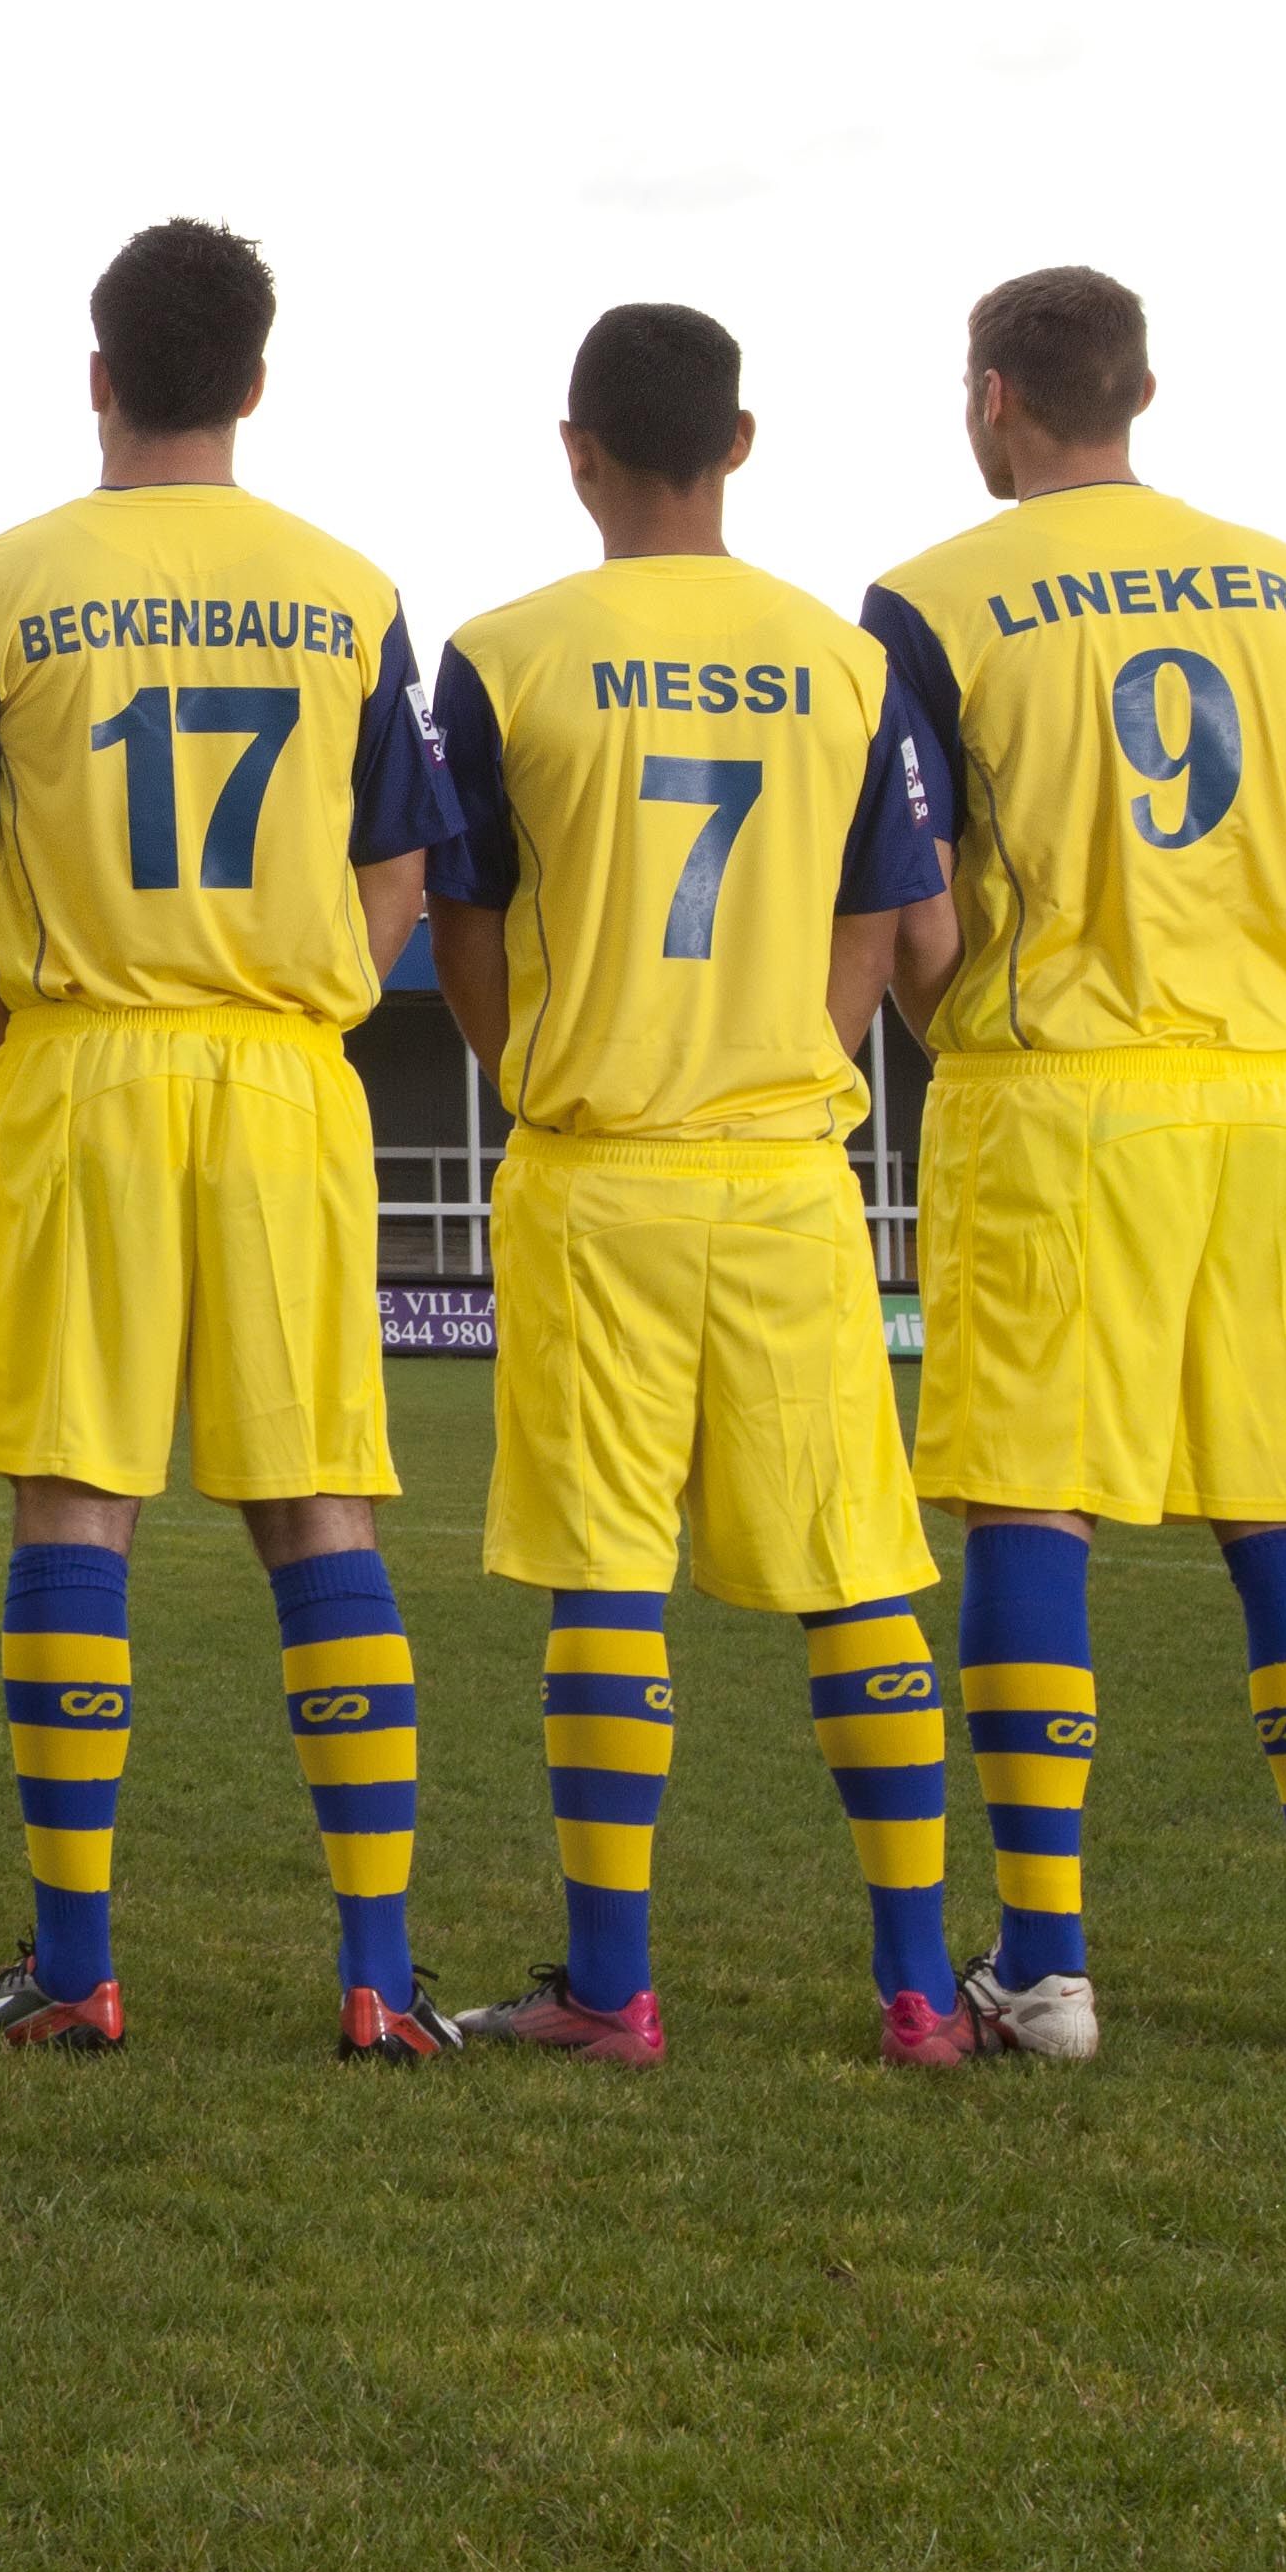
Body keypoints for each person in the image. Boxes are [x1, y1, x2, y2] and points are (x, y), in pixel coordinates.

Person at [0, 216, 470, 2058]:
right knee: (321, 1501)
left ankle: (79, 1968)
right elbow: (402, 867)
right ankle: (375, 1980)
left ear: (96, 373)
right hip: (286, 1071)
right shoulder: (351, 587)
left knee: (80, 1495)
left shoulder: (0, 585)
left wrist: (19, 1053)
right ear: (255, 379)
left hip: (85, 1062)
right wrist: (312, 1000)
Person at [863, 266, 1286, 2065]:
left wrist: (977, 1026)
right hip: (1267, 1099)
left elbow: (915, 891)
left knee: (1034, 1505)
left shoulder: (934, 597)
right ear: (1144, 390)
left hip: (1055, 1096)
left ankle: (1045, 1966)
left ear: (992, 400)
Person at [419, 303, 964, 2069]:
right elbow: (877, 933)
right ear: (743, 442)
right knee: (854, 1575)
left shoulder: (506, 652)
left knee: (606, 1579)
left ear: (574, 448)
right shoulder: (846, 656)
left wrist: (543, 1082)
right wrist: (770, 1079)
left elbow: (467, 922)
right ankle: (921, 1993)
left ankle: (611, 1989)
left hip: (601, 1171)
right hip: (790, 1172)